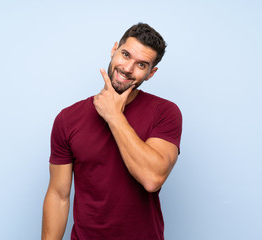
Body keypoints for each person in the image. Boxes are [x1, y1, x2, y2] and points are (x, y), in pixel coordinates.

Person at [42, 23, 182, 240]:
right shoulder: (68, 119)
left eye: (141, 65)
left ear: (151, 73)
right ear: (114, 50)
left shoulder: (165, 112)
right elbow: (58, 195)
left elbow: (152, 178)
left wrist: (114, 115)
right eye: (125, 54)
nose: (127, 68)